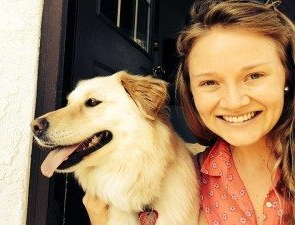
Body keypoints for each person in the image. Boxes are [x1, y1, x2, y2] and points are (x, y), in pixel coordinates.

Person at [83, 0, 295, 224]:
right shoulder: (190, 181)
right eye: (210, 82)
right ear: (191, 91)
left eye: (254, 76)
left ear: (287, 77)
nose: (234, 102)